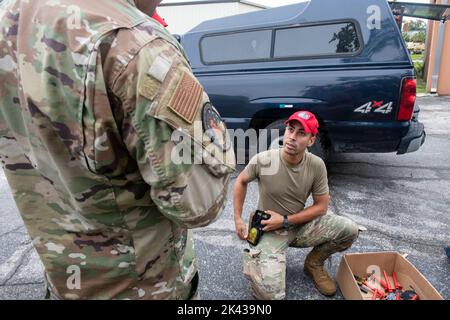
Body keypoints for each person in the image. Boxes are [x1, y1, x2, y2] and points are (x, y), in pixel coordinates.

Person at [0, 0, 234, 299]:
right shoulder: (131, 41)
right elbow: (199, 204)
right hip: (140, 285)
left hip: (62, 278)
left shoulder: (9, 17)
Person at [233, 110, 358, 299]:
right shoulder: (264, 159)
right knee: (270, 297)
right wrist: (238, 219)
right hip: (268, 228)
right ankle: (263, 261)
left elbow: (321, 206)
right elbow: (240, 181)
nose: (292, 137)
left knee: (349, 229)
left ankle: (314, 264)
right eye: (290, 130)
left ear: (311, 140)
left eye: (301, 133)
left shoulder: (316, 165)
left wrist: (285, 220)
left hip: (297, 225)